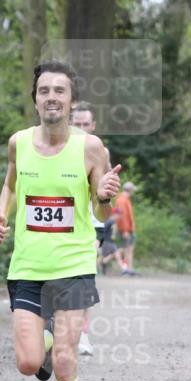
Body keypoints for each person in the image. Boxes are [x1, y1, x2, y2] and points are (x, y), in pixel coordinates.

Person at [0, 61, 120, 381]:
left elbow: (103, 204)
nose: (52, 97)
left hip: (73, 264)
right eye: (44, 90)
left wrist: (103, 194)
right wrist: (1, 215)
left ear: (70, 100)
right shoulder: (19, 143)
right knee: (29, 363)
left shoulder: (90, 148)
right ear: (35, 100)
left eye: (59, 91)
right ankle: (42, 348)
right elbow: (11, 183)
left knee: (67, 358)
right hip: (27, 265)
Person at [70, 101, 109, 356]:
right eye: (77, 123)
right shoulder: (54, 149)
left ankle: (82, 334)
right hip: (63, 225)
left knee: (85, 274)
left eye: (86, 124)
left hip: (92, 225)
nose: (82, 128)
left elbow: (105, 194)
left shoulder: (99, 151)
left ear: (93, 126)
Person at [115, 181, 137, 275]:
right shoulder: (122, 200)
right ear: (130, 190)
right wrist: (125, 230)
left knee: (129, 249)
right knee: (126, 250)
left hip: (129, 229)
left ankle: (129, 269)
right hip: (126, 230)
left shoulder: (125, 199)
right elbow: (122, 217)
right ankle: (125, 269)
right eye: (133, 190)